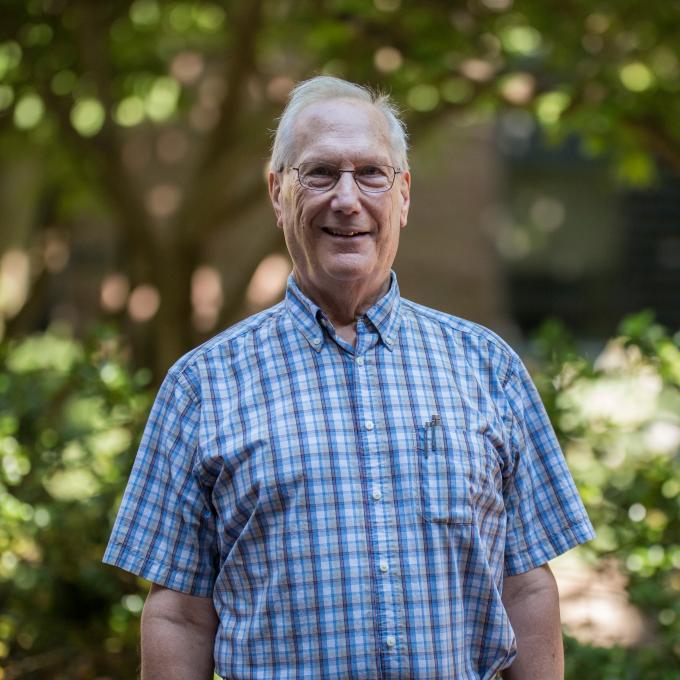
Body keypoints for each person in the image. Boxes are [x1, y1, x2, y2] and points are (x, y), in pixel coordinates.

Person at [104, 75, 594, 680]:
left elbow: (525, 587)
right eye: (319, 174)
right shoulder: (201, 387)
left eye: (370, 174)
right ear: (278, 193)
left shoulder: (487, 367)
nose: (346, 198)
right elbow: (179, 613)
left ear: (404, 195)